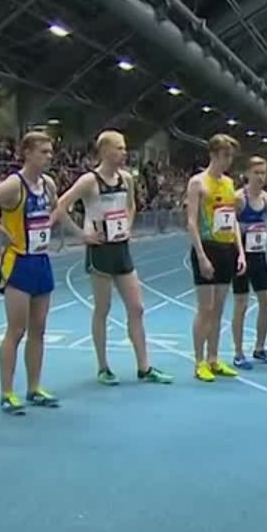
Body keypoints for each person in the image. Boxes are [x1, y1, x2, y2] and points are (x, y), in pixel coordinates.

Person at [0, 131, 84, 414]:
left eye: (50, 152)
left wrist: (80, 234)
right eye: (43, 152)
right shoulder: (13, 185)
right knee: (16, 330)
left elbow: (59, 211)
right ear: (27, 153)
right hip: (18, 262)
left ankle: (34, 388)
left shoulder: (49, 185)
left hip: (41, 261)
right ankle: (7, 392)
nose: (49, 157)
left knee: (38, 330)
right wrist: (2, 231)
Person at [53, 129, 172, 387]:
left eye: (124, 147)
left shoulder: (126, 178)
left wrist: (127, 225)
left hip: (121, 249)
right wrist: (82, 234)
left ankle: (144, 367)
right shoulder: (89, 181)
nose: (124, 152)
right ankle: (103, 367)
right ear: (104, 150)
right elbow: (60, 206)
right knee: (103, 309)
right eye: (119, 148)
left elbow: (131, 205)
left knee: (137, 308)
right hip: (100, 251)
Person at [185, 133, 248, 381]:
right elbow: (191, 222)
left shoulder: (230, 184)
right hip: (207, 247)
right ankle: (199, 361)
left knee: (219, 309)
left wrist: (240, 251)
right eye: (224, 155)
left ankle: (213, 358)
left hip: (226, 249)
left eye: (231, 156)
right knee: (205, 309)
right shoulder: (198, 183)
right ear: (213, 154)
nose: (228, 161)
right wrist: (201, 256)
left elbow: (232, 220)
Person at [230, 155, 267, 366]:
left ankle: (260, 348)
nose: (260, 177)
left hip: (259, 255)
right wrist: (241, 248)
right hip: (240, 256)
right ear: (247, 174)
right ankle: (238, 352)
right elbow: (232, 226)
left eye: (263, 173)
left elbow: (263, 223)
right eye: (256, 173)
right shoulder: (239, 199)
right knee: (241, 304)